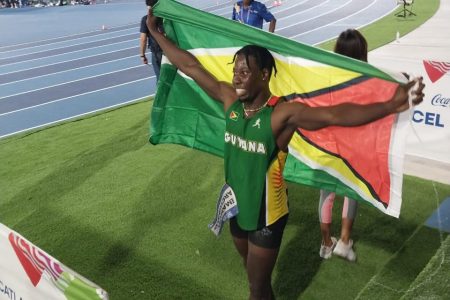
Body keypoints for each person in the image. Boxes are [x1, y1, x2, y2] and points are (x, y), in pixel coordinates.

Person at [146, 8, 424, 299]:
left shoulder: (281, 114)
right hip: (236, 208)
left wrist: (389, 106)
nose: (237, 77)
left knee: (256, 287)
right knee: (257, 281)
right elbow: (190, 66)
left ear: (264, 75)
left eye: (245, 71)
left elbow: (334, 115)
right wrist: (156, 33)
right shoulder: (230, 102)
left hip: (268, 215)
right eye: (235, 71)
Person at [318, 29, 368, 262]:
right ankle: (344, 241)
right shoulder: (366, 78)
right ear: (361, 52)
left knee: (327, 192)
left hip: (328, 142)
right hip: (353, 145)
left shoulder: (326, 74)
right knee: (351, 190)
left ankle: (326, 244)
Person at [140, 0, 163, 81]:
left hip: (157, 52)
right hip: (170, 51)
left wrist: (142, 55)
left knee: (160, 79)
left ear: (147, 6)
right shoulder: (166, 17)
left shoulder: (145, 19)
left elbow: (143, 39)